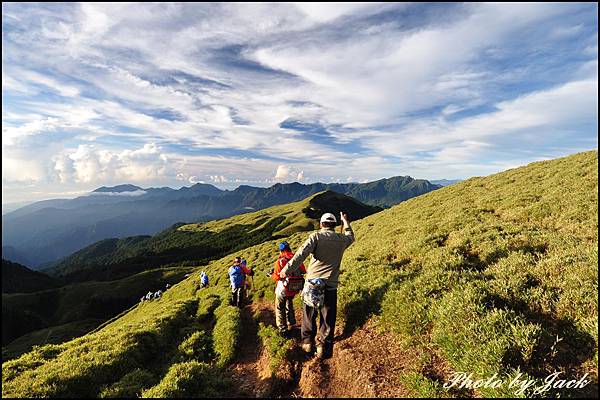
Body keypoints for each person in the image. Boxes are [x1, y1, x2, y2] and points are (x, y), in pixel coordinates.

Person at [279, 212, 354, 359]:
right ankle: (324, 345)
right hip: (330, 285)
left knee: (309, 313)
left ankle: (307, 342)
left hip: (313, 283)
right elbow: (351, 236)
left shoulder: (316, 237)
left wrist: (285, 271)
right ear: (334, 225)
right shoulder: (342, 240)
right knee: (328, 316)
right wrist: (345, 221)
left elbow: (300, 255)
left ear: (321, 224)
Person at [272, 241, 306, 335]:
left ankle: (283, 329)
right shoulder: (296, 258)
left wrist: (272, 275)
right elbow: (304, 270)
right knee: (289, 304)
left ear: (281, 251)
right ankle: (292, 323)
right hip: (294, 288)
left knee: (280, 307)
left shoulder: (280, 260)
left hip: (284, 288)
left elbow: (278, 276)